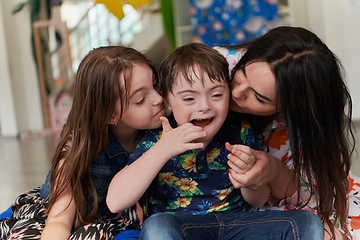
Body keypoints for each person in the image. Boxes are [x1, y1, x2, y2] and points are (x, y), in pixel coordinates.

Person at [107, 42, 324, 240]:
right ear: (168, 100)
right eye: (189, 98)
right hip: (183, 228)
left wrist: (248, 179)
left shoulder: (239, 130)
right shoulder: (160, 135)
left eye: (217, 95)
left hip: (237, 226)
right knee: (156, 227)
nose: (204, 106)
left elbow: (257, 201)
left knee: (308, 223)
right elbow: (115, 201)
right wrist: (163, 149)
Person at [0, 46, 165, 240]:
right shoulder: (78, 147)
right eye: (141, 99)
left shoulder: (164, 128)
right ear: (109, 114)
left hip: (122, 220)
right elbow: (59, 220)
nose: (159, 99)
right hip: (64, 214)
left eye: (157, 85)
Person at [215, 26, 355, 240]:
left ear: (291, 108)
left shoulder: (307, 126)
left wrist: (274, 172)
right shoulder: (212, 66)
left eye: (260, 98)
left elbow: (309, 199)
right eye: (240, 75)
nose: (236, 93)